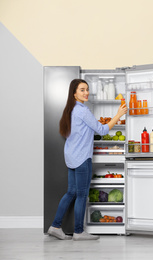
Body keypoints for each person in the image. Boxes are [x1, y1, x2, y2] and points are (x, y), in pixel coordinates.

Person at [47, 79, 127, 241]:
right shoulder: (83, 111)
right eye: (82, 90)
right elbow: (102, 130)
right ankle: (78, 231)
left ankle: (55, 226)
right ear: (74, 93)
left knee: (71, 192)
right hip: (82, 158)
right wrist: (118, 114)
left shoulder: (70, 110)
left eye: (87, 89)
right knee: (82, 195)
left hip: (71, 157)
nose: (86, 93)